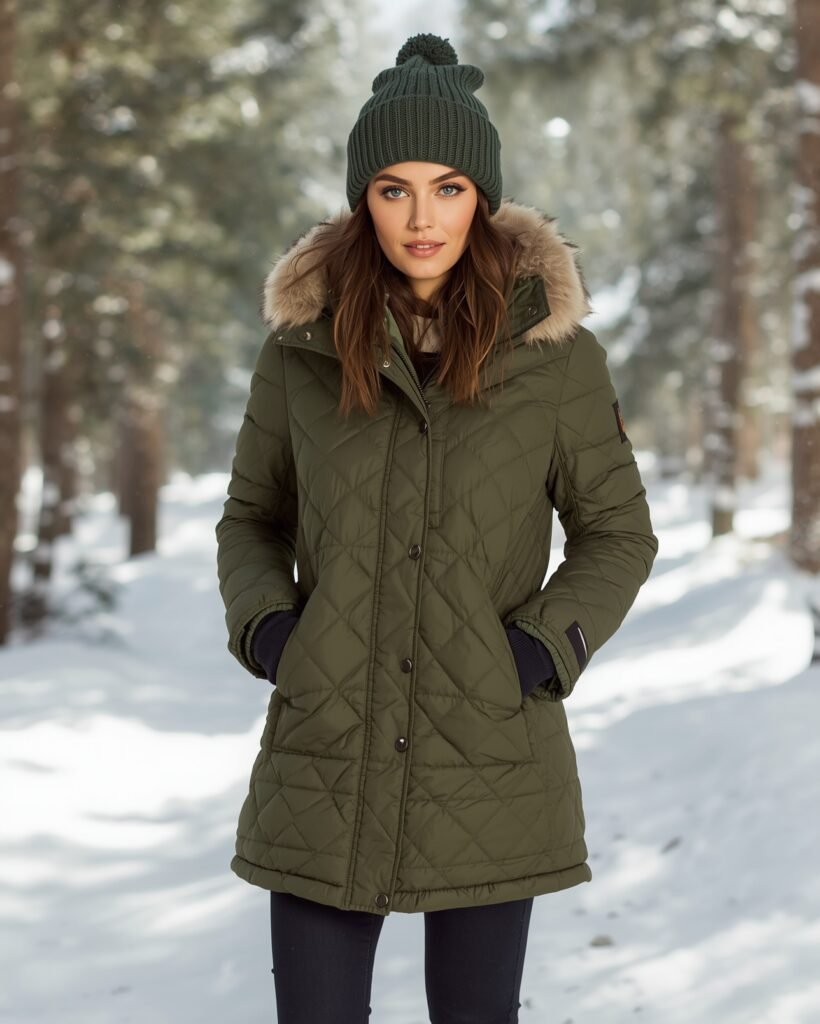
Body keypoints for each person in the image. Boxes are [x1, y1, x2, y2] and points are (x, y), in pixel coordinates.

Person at [215, 31, 659, 1024]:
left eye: (448, 186)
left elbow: (617, 532)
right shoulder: (298, 355)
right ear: (360, 198)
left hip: (492, 757)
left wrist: (540, 649)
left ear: (483, 197)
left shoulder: (555, 358)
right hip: (327, 753)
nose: (421, 216)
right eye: (394, 188)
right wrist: (273, 632)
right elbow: (250, 518)